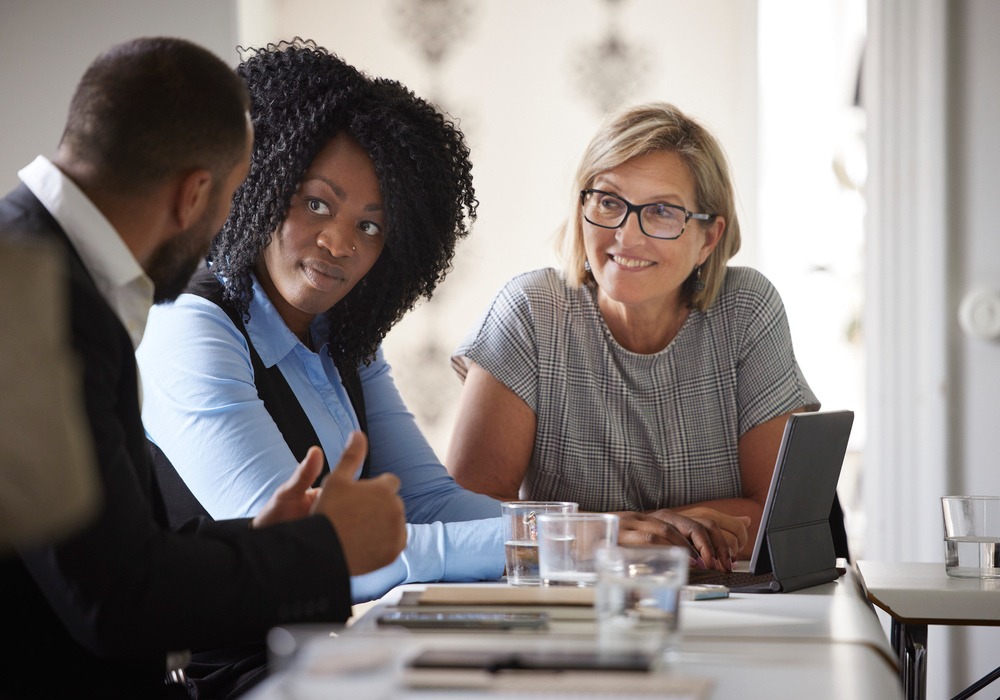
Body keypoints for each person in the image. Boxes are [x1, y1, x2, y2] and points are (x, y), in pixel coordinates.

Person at [136, 40, 733, 589]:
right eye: (316, 204)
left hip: (329, 647)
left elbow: (427, 502)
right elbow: (304, 552)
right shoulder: (191, 327)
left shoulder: (343, 339)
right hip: (235, 675)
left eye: (370, 226)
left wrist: (594, 531)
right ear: (262, 185)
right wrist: (572, 543)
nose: (340, 244)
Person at [0, 37, 406, 700]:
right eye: (237, 193)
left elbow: (104, 549)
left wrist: (262, 538)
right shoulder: (39, 298)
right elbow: (116, 601)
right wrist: (324, 549)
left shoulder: (37, 267)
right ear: (195, 194)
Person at [448, 102, 820, 559]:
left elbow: (779, 512)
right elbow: (470, 516)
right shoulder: (530, 312)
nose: (626, 235)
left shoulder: (746, 309)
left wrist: (644, 531)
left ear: (708, 238)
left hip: (723, 603)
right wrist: (608, 534)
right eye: (608, 202)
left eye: (662, 211)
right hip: (568, 607)